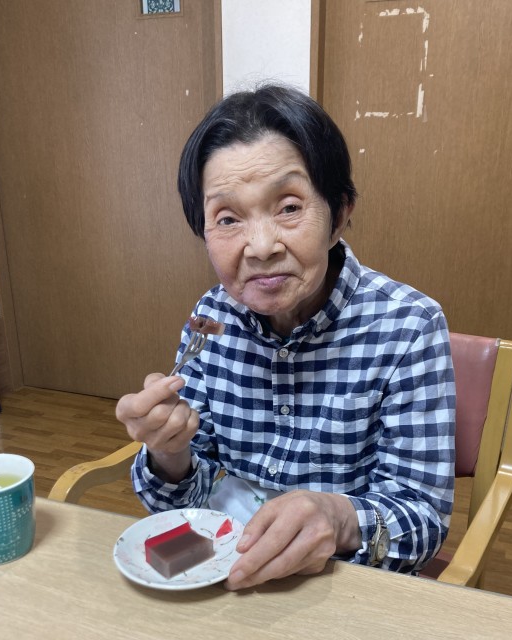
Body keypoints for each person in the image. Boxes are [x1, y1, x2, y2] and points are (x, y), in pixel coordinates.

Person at [116, 84, 455, 591]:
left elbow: (422, 519)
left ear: (339, 214)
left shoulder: (409, 327)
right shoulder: (212, 317)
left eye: (289, 207)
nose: (260, 247)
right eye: (227, 218)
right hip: (221, 574)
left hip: (341, 585)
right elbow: (181, 500)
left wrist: (338, 518)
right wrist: (169, 452)